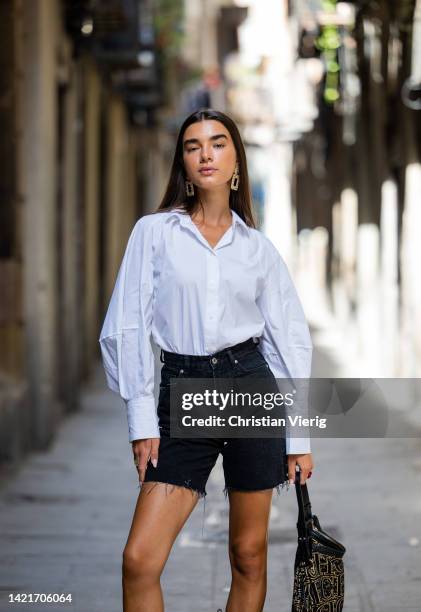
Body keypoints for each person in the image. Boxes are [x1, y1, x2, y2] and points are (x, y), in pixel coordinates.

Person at [98, 108, 314, 612]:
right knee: (140, 560)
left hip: (250, 389)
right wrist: (141, 419)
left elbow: (290, 345)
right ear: (184, 162)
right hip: (182, 391)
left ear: (236, 158)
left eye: (217, 143)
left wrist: (298, 439)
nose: (206, 154)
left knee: (248, 555)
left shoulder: (258, 250)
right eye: (194, 146)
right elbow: (126, 326)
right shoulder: (154, 234)